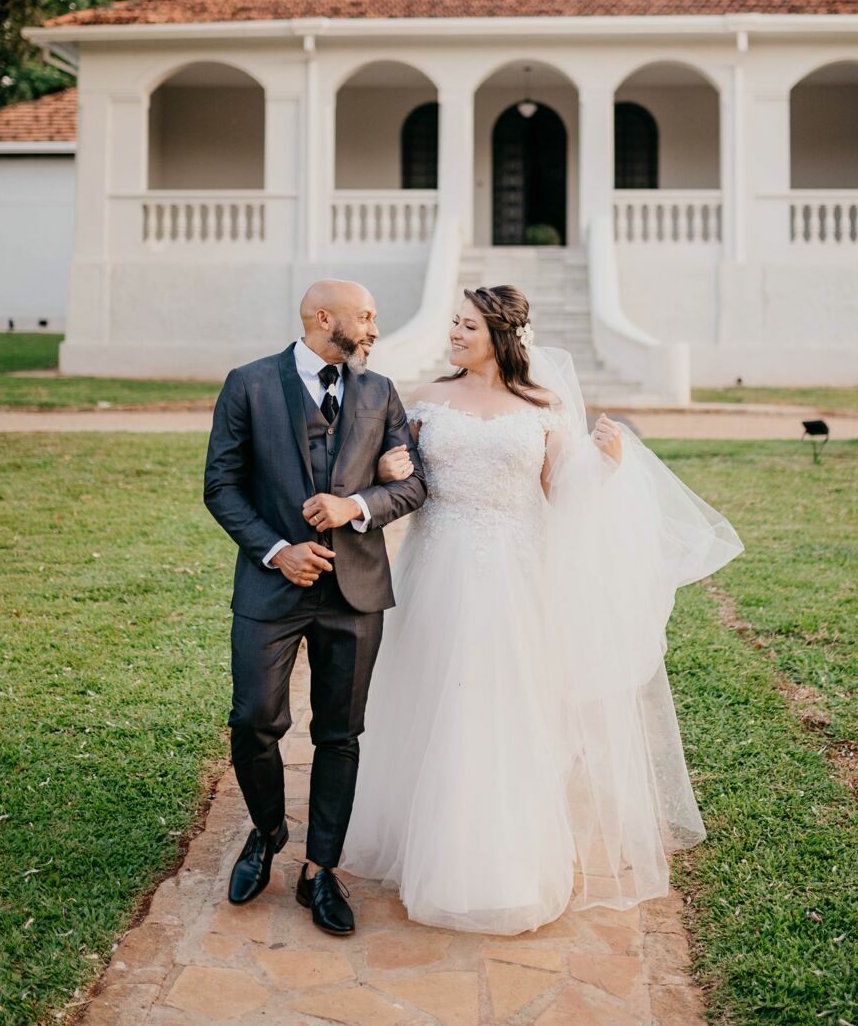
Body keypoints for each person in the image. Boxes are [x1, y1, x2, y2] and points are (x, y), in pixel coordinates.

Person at [341, 283, 744, 934]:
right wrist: (390, 471)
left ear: (499, 335)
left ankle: (502, 862)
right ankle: (425, 839)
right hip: (438, 565)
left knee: (505, 707)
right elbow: (407, 484)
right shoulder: (427, 401)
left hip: (514, 574)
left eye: (465, 325)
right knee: (437, 697)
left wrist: (607, 468)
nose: (453, 333)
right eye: (452, 323)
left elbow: (560, 493)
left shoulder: (543, 406)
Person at [203, 279, 426, 936]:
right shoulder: (247, 384)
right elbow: (220, 485)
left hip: (354, 593)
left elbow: (412, 483)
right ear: (325, 319)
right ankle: (268, 833)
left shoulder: (378, 392)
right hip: (272, 588)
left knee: (340, 734)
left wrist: (355, 507)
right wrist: (277, 551)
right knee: (253, 721)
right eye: (367, 316)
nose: (375, 328)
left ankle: (319, 869)